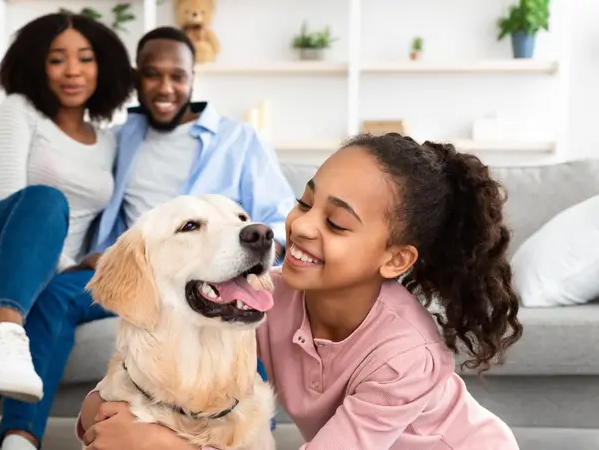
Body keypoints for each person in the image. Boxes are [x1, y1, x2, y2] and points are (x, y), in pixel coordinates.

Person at [78, 133, 525, 450]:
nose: (301, 227)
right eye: (305, 202)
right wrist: (103, 401)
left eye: (336, 223)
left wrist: (164, 447)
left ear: (394, 260)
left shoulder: (405, 357)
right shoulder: (271, 297)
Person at [0, 25, 296, 448]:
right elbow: (69, 156)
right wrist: (9, 131)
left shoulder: (241, 141)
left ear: (192, 79)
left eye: (177, 76)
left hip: (218, 272)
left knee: (236, 346)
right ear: (135, 79)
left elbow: (278, 222)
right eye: (152, 74)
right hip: (134, 266)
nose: (165, 87)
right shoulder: (119, 138)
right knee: (52, 295)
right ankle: (20, 435)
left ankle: (244, 432)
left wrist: (245, 258)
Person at [0, 12, 134, 450]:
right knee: (44, 199)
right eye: (57, 59)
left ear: (105, 66)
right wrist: (67, 266)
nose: (73, 71)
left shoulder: (110, 142)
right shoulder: (19, 112)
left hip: (4, 274)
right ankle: (4, 326)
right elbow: (5, 203)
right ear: (38, 65)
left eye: (85, 58)